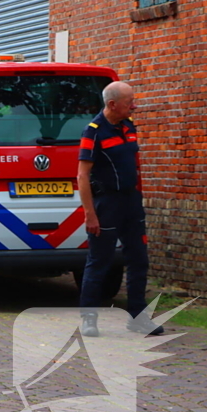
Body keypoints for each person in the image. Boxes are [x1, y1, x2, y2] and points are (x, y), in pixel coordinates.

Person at [78, 80, 163, 337]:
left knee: (139, 260)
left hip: (131, 203)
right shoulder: (93, 132)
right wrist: (90, 213)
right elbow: (82, 176)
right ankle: (89, 319)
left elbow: (135, 166)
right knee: (100, 262)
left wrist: (139, 196)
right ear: (113, 104)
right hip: (107, 204)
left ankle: (138, 318)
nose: (134, 106)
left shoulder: (128, 127)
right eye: (129, 102)